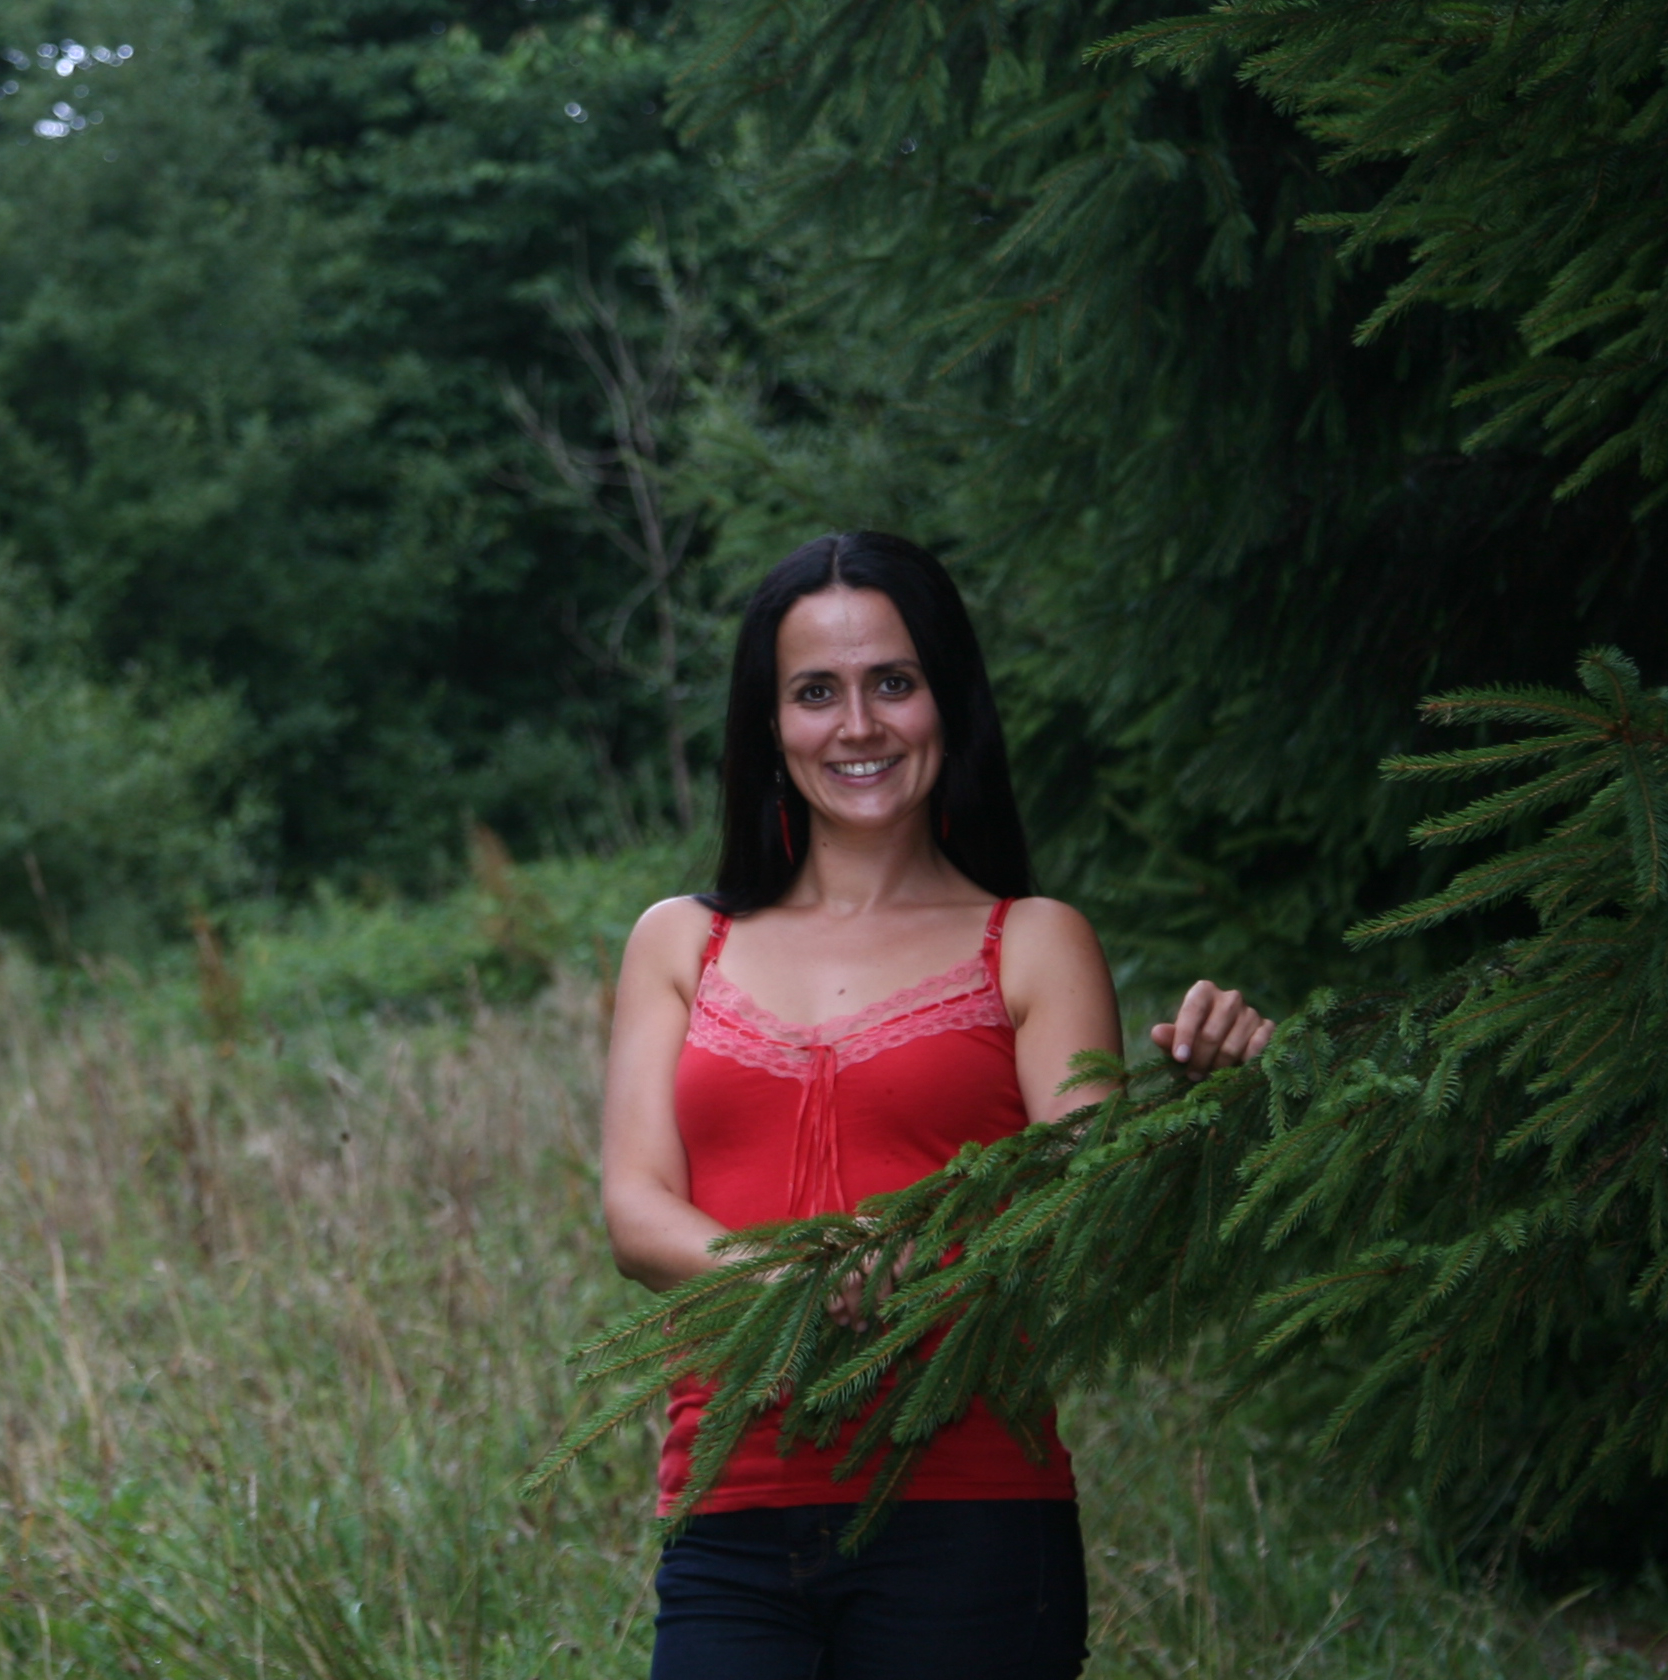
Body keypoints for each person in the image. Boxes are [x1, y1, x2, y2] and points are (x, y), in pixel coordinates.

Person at [602, 532, 1274, 1680]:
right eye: (816, 692)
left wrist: (1198, 1114)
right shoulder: (681, 941)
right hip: (729, 1519)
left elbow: (1076, 1230)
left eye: (893, 683)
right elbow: (635, 1207)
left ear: (948, 703)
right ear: (769, 724)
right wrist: (800, 1280)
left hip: (971, 1517)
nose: (858, 725)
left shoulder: (1035, 943)